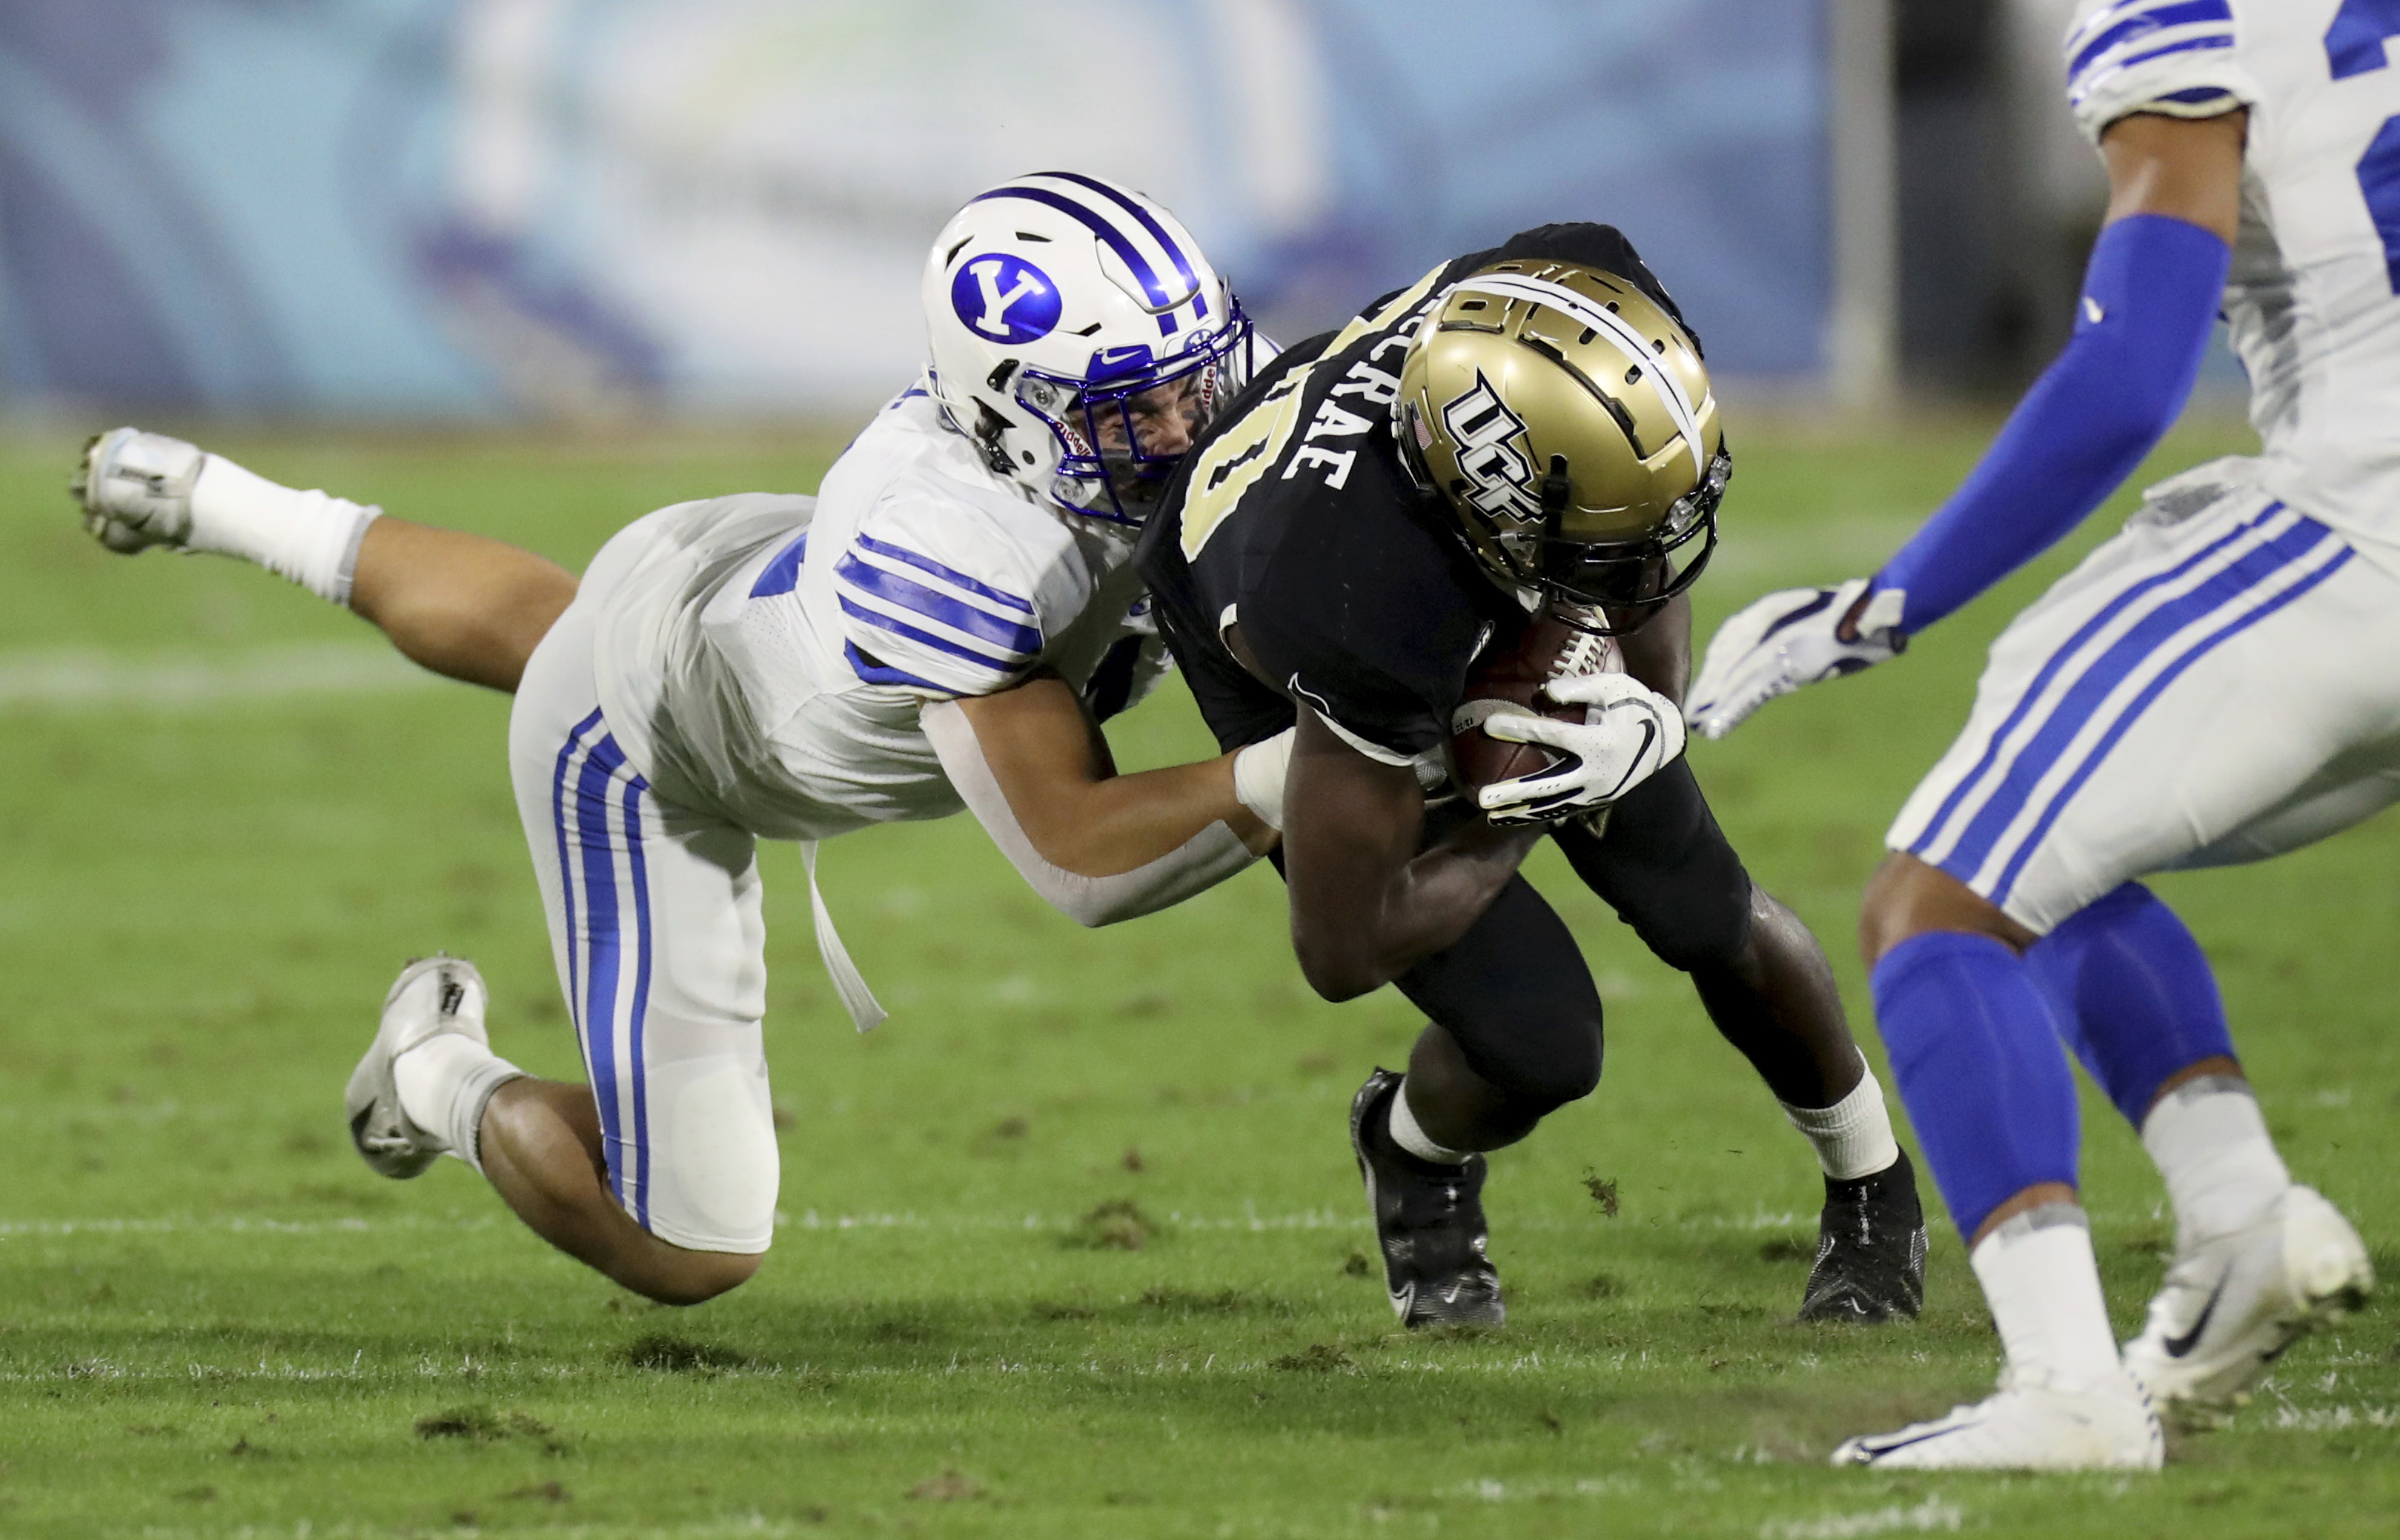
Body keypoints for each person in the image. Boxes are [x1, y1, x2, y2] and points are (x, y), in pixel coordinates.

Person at [72, 173, 1305, 1306]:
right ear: (1014, 419)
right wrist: (1337, 758)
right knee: (695, 1244)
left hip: (727, 587)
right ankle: (430, 1072)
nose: (1192, 424)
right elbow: (1080, 856)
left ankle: (221, 502)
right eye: (1138, 408)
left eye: (1199, 379)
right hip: (652, 745)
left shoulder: (1045, 454)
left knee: (557, 625)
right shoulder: (965, 552)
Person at [1688, 0, 2384, 1470]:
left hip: (2361, 526)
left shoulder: (2173, 14)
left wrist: (1883, 602)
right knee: (2045, 839)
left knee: (1933, 900)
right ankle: (2236, 1218)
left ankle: (2064, 1386)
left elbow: (2129, 373)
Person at [1134, 222, 1929, 1330]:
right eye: (1599, 549)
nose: (1650, 570)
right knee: (1541, 1041)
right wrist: (1530, 804)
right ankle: (1408, 1156)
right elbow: (1340, 949)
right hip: (1288, 627)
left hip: (1448, 535)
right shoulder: (1344, 604)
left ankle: (1873, 1187)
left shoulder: (1582, 300)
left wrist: (1644, 721)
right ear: (1497, 515)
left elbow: (1634, 554)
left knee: (1703, 907)